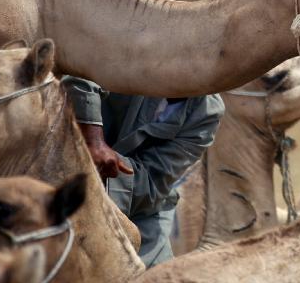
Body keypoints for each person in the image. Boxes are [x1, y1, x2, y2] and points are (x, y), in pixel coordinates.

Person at [62, 77, 224, 266]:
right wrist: (92, 137)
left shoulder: (207, 112)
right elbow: (79, 73)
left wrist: (108, 164)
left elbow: (153, 181)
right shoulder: (134, 54)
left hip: (140, 210)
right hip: (61, 160)